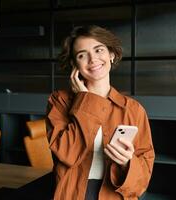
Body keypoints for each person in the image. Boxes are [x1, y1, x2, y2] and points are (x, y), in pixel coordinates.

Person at [46, 25, 155, 200]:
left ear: (111, 54)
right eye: (82, 55)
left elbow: (143, 178)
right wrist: (85, 100)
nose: (93, 59)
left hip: (115, 193)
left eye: (99, 50)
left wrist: (127, 163)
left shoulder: (134, 109)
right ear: (75, 64)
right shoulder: (59, 101)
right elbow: (67, 154)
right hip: (72, 193)